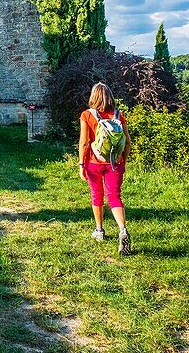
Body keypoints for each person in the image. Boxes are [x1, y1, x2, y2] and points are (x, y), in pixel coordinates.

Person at [77, 82, 132, 255]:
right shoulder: (118, 115)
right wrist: (123, 160)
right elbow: (128, 141)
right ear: (110, 96)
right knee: (114, 197)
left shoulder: (87, 115)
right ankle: (122, 230)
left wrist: (81, 163)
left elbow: (84, 142)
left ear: (93, 96)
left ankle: (99, 231)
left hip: (94, 162)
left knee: (97, 195)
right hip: (115, 162)